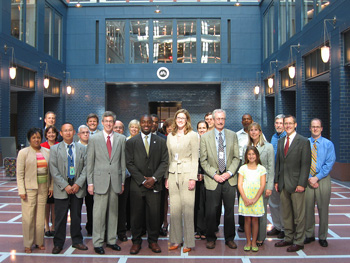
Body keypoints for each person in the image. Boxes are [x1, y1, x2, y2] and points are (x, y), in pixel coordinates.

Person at [126, 115, 168, 254]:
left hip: (155, 185)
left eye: (148, 122)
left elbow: (164, 162)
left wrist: (154, 178)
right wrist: (143, 180)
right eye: (143, 122)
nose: (146, 124)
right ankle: (136, 242)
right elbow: (129, 163)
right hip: (137, 185)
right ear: (140, 124)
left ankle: (153, 241)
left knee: (154, 215)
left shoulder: (161, 142)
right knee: (136, 215)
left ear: (152, 124)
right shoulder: (132, 142)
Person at [87, 111, 126, 254]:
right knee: (98, 213)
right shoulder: (94, 139)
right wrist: (90, 183)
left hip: (115, 181)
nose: (109, 123)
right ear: (102, 123)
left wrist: (122, 182)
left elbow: (122, 162)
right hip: (99, 181)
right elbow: (89, 162)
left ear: (114, 123)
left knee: (113, 213)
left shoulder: (121, 139)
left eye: (111, 121)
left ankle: (111, 240)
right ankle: (97, 242)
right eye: (106, 121)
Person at [200, 109, 240, 250]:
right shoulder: (205, 137)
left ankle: (229, 238)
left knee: (229, 211)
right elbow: (203, 161)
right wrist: (215, 175)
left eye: (223, 118)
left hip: (229, 179)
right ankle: (211, 238)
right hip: (213, 179)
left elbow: (237, 157)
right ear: (213, 119)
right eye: (218, 119)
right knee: (211, 211)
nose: (220, 121)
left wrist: (229, 173)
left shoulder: (232, 135)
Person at [49, 123, 88, 254]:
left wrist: (78, 184)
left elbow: (86, 168)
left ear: (74, 132)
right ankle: (58, 243)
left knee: (76, 216)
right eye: (65, 131)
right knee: (60, 217)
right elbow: (53, 169)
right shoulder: (55, 149)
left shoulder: (82, 148)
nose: (67, 133)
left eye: (70, 130)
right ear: (61, 133)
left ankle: (77, 240)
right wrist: (65, 185)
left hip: (77, 186)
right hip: (62, 187)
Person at [275, 115, 311, 252]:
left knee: (299, 215)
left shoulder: (303, 141)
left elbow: (305, 165)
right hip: (283, 183)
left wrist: (302, 183)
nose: (288, 125)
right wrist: (277, 180)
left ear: (295, 125)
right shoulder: (281, 141)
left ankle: (299, 240)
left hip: (297, 184)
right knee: (287, 213)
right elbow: (279, 162)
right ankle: (288, 237)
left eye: (290, 123)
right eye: (286, 123)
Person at [165, 109, 199, 253]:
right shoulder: (170, 136)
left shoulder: (193, 135)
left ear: (187, 120)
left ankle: (189, 242)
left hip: (187, 173)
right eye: (178, 117)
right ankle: (176, 240)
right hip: (173, 173)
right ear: (175, 119)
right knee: (175, 209)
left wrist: (193, 177)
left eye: (183, 118)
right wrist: (167, 177)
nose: (180, 120)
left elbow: (195, 158)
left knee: (188, 209)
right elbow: (168, 157)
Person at [16, 127, 53, 253]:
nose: (36, 140)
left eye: (38, 137)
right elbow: (19, 173)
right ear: (29, 139)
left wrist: (51, 186)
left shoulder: (47, 151)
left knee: (40, 216)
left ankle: (39, 242)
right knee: (29, 216)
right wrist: (21, 189)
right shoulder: (23, 153)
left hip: (43, 188)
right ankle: (28, 243)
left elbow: (51, 172)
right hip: (29, 189)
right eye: (33, 138)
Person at [304, 118, 336, 247]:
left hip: (323, 179)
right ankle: (309, 234)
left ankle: (322, 236)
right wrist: (309, 177)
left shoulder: (328, 144)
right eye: (313, 126)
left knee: (323, 208)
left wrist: (317, 178)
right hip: (307, 179)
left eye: (318, 126)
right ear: (310, 128)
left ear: (321, 128)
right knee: (308, 208)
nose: (315, 128)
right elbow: (302, 162)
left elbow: (329, 163)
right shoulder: (305, 143)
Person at [246, 122, 274, 246]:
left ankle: (261, 237)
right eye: (251, 130)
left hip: (263, 184)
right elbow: (243, 166)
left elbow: (271, 168)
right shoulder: (246, 147)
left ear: (260, 131)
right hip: (249, 186)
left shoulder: (268, 147)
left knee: (261, 212)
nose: (253, 132)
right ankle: (251, 236)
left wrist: (269, 187)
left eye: (256, 130)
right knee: (250, 212)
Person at [238, 146, 266, 252]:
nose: (251, 156)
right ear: (246, 156)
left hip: (256, 198)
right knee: (247, 219)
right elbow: (240, 184)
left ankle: (254, 241)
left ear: (257, 155)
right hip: (245, 197)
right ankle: (248, 242)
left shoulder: (261, 169)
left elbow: (262, 185)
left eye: (253, 154)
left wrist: (255, 199)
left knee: (255, 219)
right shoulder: (243, 168)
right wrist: (245, 198)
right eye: (249, 154)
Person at [268, 114, 286, 239]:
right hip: (272, 176)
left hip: (283, 177)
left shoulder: (287, 138)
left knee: (284, 204)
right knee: (273, 203)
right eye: (277, 123)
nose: (279, 125)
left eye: (281, 123)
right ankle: (277, 226)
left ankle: (285, 228)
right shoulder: (274, 137)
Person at [236, 113, 253, 232]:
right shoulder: (237, 135)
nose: (246, 121)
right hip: (241, 168)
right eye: (244, 119)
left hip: (254, 170)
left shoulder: (257, 133)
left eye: (248, 119)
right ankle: (242, 223)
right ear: (242, 122)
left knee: (253, 195)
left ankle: (254, 221)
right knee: (242, 196)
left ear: (252, 121)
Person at [40, 125, 59, 237]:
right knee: (46, 204)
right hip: (44, 180)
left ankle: (54, 226)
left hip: (56, 180)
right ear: (46, 135)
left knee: (54, 205)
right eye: (49, 133)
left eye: (53, 133)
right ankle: (46, 225)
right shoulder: (42, 146)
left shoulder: (59, 146)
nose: (51, 135)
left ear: (56, 134)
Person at [114, 120, 130, 242]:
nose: (118, 129)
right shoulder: (106, 141)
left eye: (120, 127)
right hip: (109, 179)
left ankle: (121, 231)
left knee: (122, 207)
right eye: (116, 127)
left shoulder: (125, 140)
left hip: (124, 178)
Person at [194, 120, 208, 240]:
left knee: (206, 204)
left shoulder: (210, 141)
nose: (202, 130)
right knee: (197, 204)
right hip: (195, 177)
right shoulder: (194, 142)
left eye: (204, 128)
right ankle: (197, 229)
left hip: (208, 177)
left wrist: (204, 174)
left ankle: (205, 229)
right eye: (200, 128)